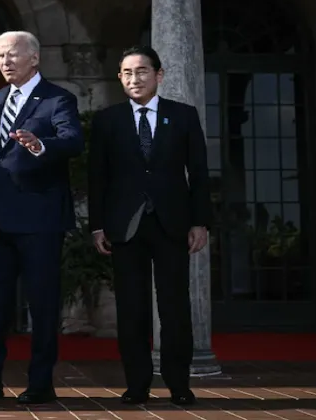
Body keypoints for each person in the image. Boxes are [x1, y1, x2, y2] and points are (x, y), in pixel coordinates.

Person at [0, 31, 84, 404]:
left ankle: (41, 384)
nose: (5, 62)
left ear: (35, 58)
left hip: (41, 219)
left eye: (12, 55)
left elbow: (73, 140)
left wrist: (42, 145)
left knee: (42, 304)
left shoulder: (58, 99)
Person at [87, 45, 212, 406]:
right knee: (131, 309)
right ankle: (137, 385)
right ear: (120, 79)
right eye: (126, 73)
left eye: (141, 71)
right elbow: (98, 178)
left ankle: (179, 384)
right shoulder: (107, 120)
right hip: (124, 228)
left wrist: (200, 221)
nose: (134, 78)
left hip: (172, 224)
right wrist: (98, 226)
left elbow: (199, 173)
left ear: (159, 75)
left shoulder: (183, 115)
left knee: (175, 307)